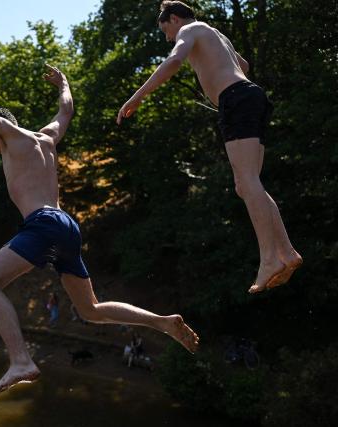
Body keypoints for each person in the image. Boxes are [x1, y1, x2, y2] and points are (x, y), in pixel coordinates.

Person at [0, 59, 199, 396]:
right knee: (91, 310)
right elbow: (66, 110)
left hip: (42, 223)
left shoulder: (8, 134)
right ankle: (162, 322)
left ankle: (21, 360)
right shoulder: (47, 137)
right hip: (66, 225)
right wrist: (63, 82)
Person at [116, 1, 302, 293]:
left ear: (174, 19)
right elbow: (244, 66)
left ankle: (269, 258)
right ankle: (287, 252)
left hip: (236, 100)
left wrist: (137, 96)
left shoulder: (189, 29)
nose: (168, 38)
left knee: (247, 181)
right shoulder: (214, 33)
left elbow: (175, 60)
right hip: (250, 97)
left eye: (166, 31)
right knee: (248, 184)